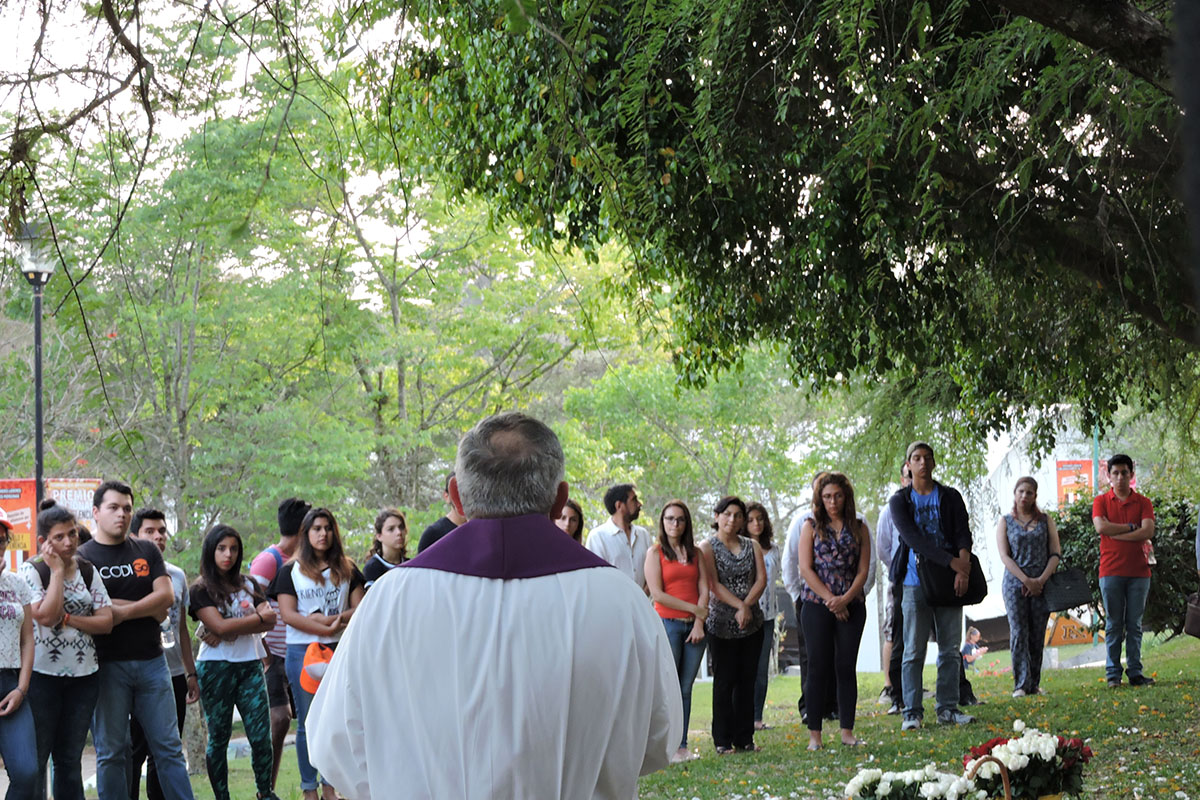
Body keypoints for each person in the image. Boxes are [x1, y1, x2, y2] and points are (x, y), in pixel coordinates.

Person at [306, 412, 682, 799]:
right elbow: (658, 738)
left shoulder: (387, 601)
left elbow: (337, 745)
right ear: (560, 499)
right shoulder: (621, 600)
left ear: (457, 496)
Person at [77, 480, 195, 800]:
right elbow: (94, 611)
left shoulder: (145, 550)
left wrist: (122, 612)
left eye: (127, 508)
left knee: (169, 748)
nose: (122, 514)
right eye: (114, 507)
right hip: (106, 666)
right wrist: (147, 608)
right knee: (113, 752)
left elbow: (166, 599)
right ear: (96, 513)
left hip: (152, 663)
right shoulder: (82, 559)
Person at [269, 507, 365, 800]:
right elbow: (287, 614)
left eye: (327, 528)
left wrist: (336, 622)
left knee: (338, 720)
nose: (323, 534)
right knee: (308, 723)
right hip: (304, 652)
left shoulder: (347, 568)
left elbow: (361, 607)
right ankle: (309, 788)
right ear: (305, 534)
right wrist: (320, 627)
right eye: (316, 529)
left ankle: (330, 786)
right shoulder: (290, 571)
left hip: (341, 649)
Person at [20, 500, 113, 800]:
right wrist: (57, 572)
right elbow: (45, 616)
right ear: (43, 542)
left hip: (84, 677)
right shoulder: (32, 570)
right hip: (41, 677)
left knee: (70, 761)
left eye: (72, 534)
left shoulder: (87, 570)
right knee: (36, 759)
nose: (69, 541)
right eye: (59, 537)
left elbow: (107, 621)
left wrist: (70, 619)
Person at [888, 442, 976, 730]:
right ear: (908, 465)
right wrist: (951, 562)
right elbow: (914, 538)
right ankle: (912, 712)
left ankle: (947, 708)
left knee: (950, 649)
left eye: (927, 458)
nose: (922, 463)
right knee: (913, 650)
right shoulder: (900, 501)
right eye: (916, 458)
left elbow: (963, 533)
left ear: (934, 463)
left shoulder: (950, 497)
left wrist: (962, 569)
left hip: (951, 581)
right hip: (914, 583)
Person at [189, 524, 279, 800]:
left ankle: (265, 792)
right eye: (221, 548)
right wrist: (253, 620)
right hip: (216, 668)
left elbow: (271, 619)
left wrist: (227, 626)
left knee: (261, 736)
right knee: (218, 738)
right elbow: (219, 627)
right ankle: (222, 796)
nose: (228, 554)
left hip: (250, 664)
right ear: (210, 551)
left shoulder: (249, 584)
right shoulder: (201, 588)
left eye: (233, 549)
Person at [129, 507, 199, 800]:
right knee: (133, 752)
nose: (158, 537)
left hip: (172, 675)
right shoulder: (127, 572)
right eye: (150, 531)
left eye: (161, 531)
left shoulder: (177, 575)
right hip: (135, 674)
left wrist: (190, 672)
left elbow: (182, 628)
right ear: (135, 535)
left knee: (165, 751)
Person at [798, 473, 870, 749]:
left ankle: (847, 731)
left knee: (845, 666)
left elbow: (863, 570)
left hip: (852, 604)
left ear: (846, 496)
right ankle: (815, 735)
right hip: (817, 604)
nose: (832, 501)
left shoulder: (860, 527)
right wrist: (831, 600)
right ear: (820, 498)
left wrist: (846, 599)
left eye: (837, 495)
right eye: (827, 496)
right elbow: (805, 568)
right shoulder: (811, 526)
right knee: (818, 666)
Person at [249, 496, 311, 790]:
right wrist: (264, 655)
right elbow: (246, 604)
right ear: (302, 528)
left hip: (300, 651)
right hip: (272, 653)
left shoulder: (304, 560)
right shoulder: (268, 560)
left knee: (306, 721)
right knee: (279, 718)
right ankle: (266, 787)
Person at [699, 495, 766, 754]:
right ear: (717, 516)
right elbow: (713, 584)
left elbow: (761, 580)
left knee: (747, 680)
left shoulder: (752, 545)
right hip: (721, 624)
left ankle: (744, 738)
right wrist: (738, 607)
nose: (732, 519)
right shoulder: (707, 546)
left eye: (738, 515)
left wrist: (746, 606)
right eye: (727, 514)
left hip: (752, 623)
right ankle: (722, 740)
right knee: (725, 681)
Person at [644, 500, 707, 763]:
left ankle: (681, 747)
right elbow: (657, 594)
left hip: (695, 629)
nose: (675, 524)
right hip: (668, 624)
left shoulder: (696, 553)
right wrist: (693, 608)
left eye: (680, 519)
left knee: (685, 688)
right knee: (667, 687)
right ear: (662, 522)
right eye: (670, 519)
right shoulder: (655, 552)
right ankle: (662, 747)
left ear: (686, 522)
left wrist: (699, 622)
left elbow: (705, 588)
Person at [1092, 454, 1156, 688]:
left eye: (1124, 473)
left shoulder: (1143, 503)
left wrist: (1116, 532)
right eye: (1115, 473)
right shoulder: (1101, 501)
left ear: (1131, 474)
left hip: (1140, 572)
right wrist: (1132, 528)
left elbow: (1147, 531)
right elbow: (1101, 526)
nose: (1120, 477)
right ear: (1108, 476)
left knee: (1135, 624)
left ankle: (1136, 672)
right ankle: (1113, 674)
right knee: (1113, 624)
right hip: (1110, 571)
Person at [997, 476, 1060, 697]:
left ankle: (1034, 683)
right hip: (1015, 585)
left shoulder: (1045, 521)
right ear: (1015, 494)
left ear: (1035, 496)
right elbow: (1005, 556)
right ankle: (1021, 684)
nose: (1024, 496)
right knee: (1019, 632)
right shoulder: (1005, 521)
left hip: (1042, 584)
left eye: (1029, 492)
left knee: (1037, 633)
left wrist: (1040, 581)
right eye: (1021, 491)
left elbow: (1055, 553)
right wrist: (1025, 580)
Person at [0, 506, 39, 798]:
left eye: (1, 540)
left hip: (12, 684)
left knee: (27, 772)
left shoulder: (17, 583)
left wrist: (22, 688)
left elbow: (28, 640)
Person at [874, 464, 911, 714]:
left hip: (927, 581)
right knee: (894, 634)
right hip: (899, 580)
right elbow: (883, 548)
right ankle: (891, 688)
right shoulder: (890, 509)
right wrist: (898, 570)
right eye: (909, 474)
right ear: (902, 478)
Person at [746, 502, 780, 731]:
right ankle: (741, 716)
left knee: (761, 668)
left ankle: (757, 717)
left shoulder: (774, 549)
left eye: (760, 519)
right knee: (743, 667)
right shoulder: (741, 548)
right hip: (745, 614)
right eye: (750, 520)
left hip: (767, 616)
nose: (756, 524)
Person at [587, 483, 652, 593]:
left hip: (643, 605)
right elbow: (596, 579)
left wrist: (641, 598)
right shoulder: (597, 537)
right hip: (612, 606)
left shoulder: (643, 535)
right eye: (634, 500)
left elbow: (652, 572)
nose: (639, 504)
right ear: (619, 506)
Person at [416, 472, 467, 553]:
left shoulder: (482, 531)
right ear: (447, 496)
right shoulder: (433, 534)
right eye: (458, 492)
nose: (463, 498)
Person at [363, 508, 408, 589]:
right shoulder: (372, 568)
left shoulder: (410, 565)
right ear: (379, 536)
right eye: (391, 529)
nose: (399, 533)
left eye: (401, 527)